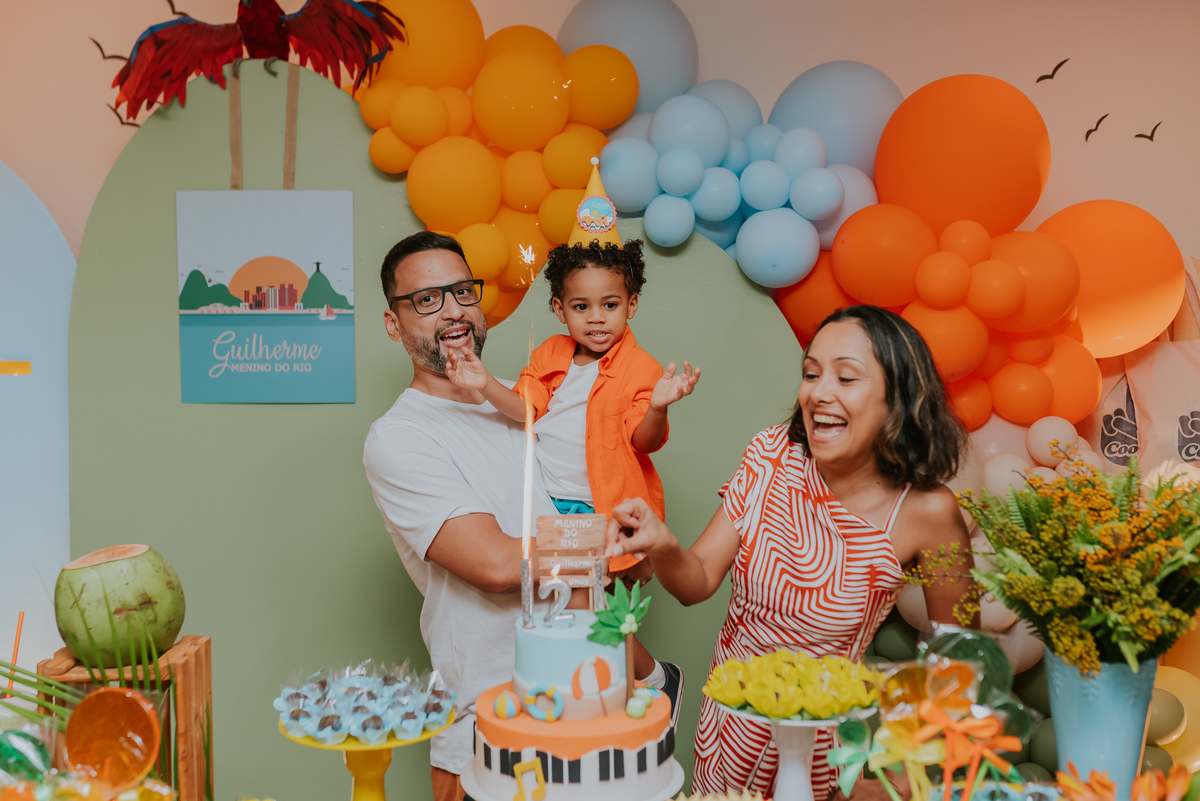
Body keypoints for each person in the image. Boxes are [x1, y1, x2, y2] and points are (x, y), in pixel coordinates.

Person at [603, 306, 975, 801]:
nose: (818, 393)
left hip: (823, 750)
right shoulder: (771, 454)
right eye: (811, 373)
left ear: (899, 398)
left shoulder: (928, 513)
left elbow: (962, 661)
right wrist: (661, 541)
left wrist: (903, 778)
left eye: (846, 377)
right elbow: (698, 581)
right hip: (729, 730)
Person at [362, 232, 679, 801]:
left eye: (462, 291)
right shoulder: (400, 437)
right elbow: (496, 564)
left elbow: (613, 465)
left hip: (594, 704)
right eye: (427, 300)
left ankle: (654, 677)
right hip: (489, 722)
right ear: (393, 323)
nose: (453, 310)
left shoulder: (531, 396)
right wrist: (624, 538)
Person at [443, 239, 697, 701]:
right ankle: (628, 687)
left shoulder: (641, 368)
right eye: (582, 307)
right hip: (550, 504)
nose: (596, 318)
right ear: (560, 310)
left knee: (588, 608)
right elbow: (525, 409)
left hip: (603, 509)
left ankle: (650, 683)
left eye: (610, 305)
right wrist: (483, 384)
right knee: (570, 612)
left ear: (631, 305)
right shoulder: (550, 355)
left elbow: (643, 441)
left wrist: (659, 407)